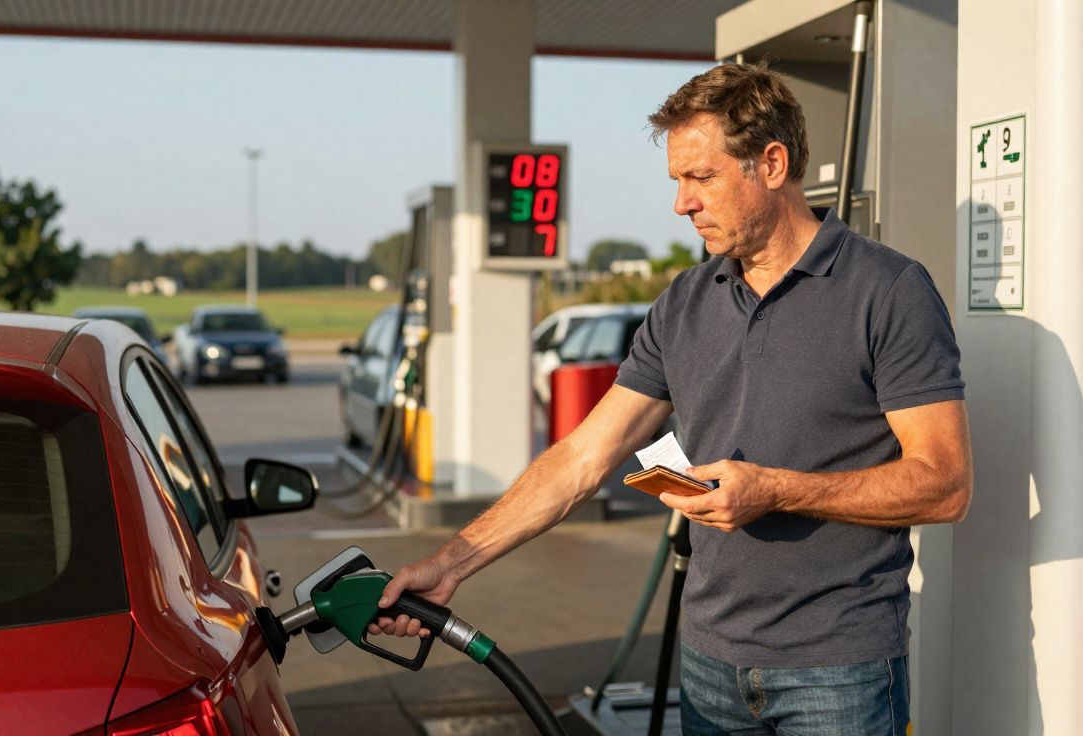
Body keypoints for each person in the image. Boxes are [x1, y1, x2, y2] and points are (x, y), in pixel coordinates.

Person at [370, 63, 972, 735]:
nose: (681, 204)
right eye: (677, 181)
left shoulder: (888, 291)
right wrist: (451, 564)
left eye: (702, 178)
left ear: (770, 164)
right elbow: (580, 459)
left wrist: (775, 489)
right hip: (709, 666)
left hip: (838, 671)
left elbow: (944, 484)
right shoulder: (684, 303)